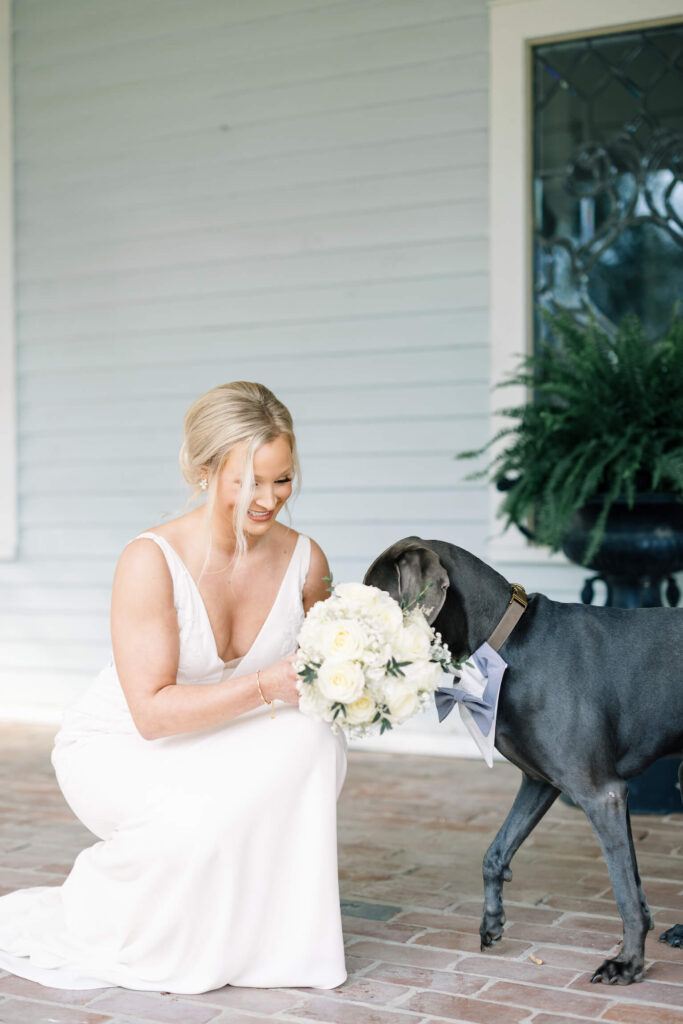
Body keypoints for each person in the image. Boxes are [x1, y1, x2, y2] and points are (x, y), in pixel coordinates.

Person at [0, 381, 348, 994]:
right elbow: (152, 715)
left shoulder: (306, 560)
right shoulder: (149, 560)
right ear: (204, 470)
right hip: (123, 743)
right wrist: (269, 683)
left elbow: (323, 672)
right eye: (248, 482)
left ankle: (273, 940)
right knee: (199, 816)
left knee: (315, 737)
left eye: (282, 480)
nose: (268, 500)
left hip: (232, 732)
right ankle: (120, 910)